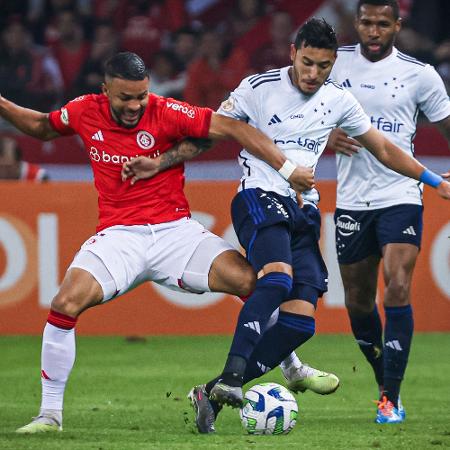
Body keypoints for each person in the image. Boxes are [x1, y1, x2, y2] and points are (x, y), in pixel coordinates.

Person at [122, 18, 450, 433]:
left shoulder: (340, 100)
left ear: (333, 64)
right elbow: (210, 133)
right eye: (308, 62)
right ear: (293, 52)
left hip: (303, 211)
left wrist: (434, 180)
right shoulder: (258, 88)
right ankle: (235, 376)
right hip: (258, 196)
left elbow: (383, 147)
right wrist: (160, 161)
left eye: (324, 66)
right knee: (275, 282)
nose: (314, 74)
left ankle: (212, 390)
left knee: (300, 321)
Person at [0, 51, 316, 434]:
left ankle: (291, 365)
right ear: (105, 91)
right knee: (65, 303)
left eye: (141, 96)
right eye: (125, 98)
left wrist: (286, 169)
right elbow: (40, 126)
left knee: (254, 283)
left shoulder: (169, 111)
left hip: (176, 233)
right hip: (120, 236)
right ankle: (50, 415)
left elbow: (235, 129)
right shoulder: (85, 110)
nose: (135, 106)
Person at [326, 0, 450, 424]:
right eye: (366, 23)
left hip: (401, 194)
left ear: (397, 25)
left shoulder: (421, 75)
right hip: (351, 200)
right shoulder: (333, 64)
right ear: (355, 23)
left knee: (396, 287)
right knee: (359, 301)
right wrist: (328, 136)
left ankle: (390, 399)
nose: (373, 31)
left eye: (382, 23)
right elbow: (296, 116)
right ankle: (384, 382)